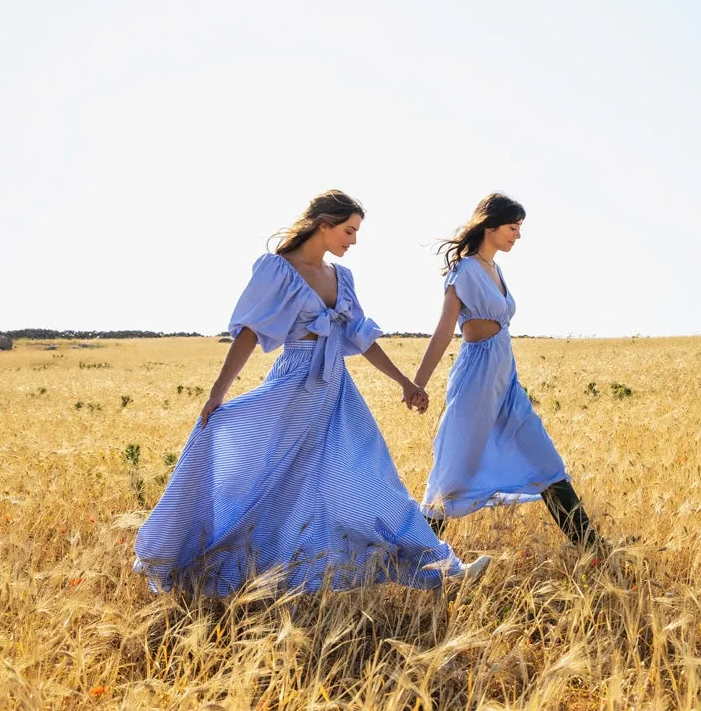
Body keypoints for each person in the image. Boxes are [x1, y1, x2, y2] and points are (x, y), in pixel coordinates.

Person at [134, 190, 490, 596]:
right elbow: (250, 333)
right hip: (295, 387)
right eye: (349, 230)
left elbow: (362, 338)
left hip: (337, 392)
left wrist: (405, 382)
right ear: (324, 225)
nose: (352, 241)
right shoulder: (277, 270)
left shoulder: (343, 279)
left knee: (376, 480)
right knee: (275, 488)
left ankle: (440, 566)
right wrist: (219, 393)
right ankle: (219, 573)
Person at [412, 192, 605, 552]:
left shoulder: (495, 269)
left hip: (505, 377)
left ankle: (593, 546)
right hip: (476, 377)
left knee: (545, 459)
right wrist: (417, 383)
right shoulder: (465, 269)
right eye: (513, 228)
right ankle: (418, 556)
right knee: (453, 471)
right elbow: (443, 330)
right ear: (490, 226)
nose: (517, 235)